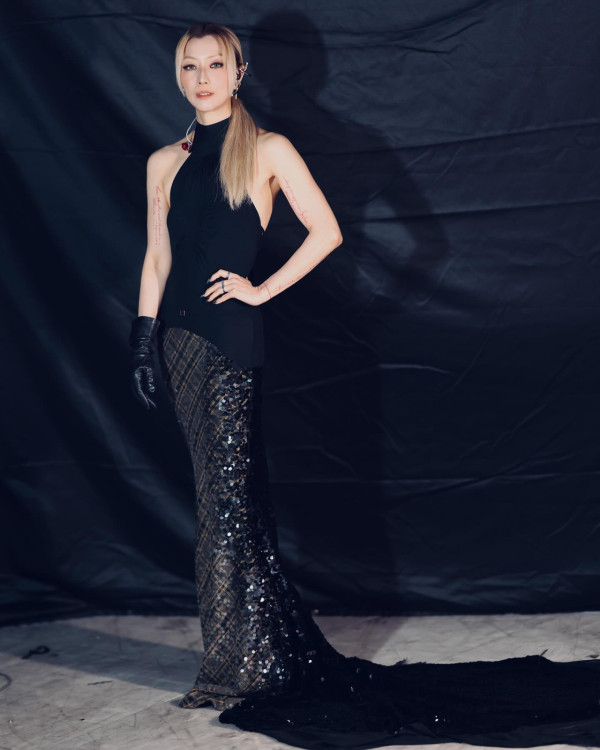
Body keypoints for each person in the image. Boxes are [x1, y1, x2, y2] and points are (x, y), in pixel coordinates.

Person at [129, 22, 600, 750]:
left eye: (215, 65)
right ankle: (244, 659)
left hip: (228, 345)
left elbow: (327, 233)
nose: (201, 78)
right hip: (179, 344)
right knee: (221, 506)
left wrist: (259, 290)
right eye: (189, 66)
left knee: (227, 509)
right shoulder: (164, 160)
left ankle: (232, 669)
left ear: (239, 72)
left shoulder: (268, 150)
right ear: (178, 74)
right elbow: (158, 256)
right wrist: (141, 334)